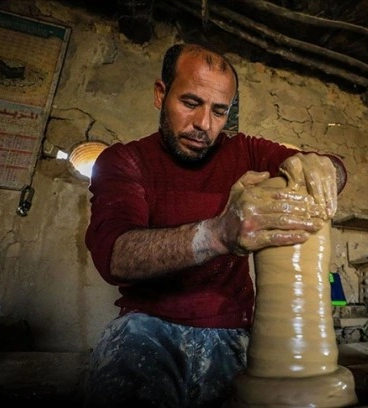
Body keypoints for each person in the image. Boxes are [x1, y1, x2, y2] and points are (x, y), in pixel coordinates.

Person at [83, 42, 347, 408]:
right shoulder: (125, 161)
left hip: (233, 332)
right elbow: (115, 255)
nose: (204, 125)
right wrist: (218, 234)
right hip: (148, 329)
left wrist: (328, 168)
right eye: (190, 103)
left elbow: (319, 166)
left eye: (219, 111)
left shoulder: (246, 152)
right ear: (161, 94)